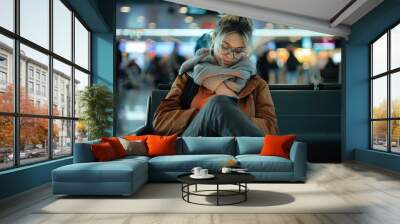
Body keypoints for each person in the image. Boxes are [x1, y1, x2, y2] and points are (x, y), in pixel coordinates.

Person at [152, 15, 278, 137]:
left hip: (237, 149)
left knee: (219, 105)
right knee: (218, 103)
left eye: (239, 50)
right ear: (214, 39)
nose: (231, 55)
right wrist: (207, 114)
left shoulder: (256, 84)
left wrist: (230, 116)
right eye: (225, 47)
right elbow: (161, 122)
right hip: (194, 147)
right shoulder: (188, 77)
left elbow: (271, 129)